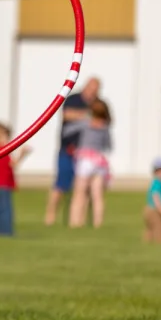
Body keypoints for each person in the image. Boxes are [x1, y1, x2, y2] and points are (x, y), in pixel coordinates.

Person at [45, 77, 100, 226]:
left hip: (86, 152)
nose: (93, 93)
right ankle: (50, 216)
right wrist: (87, 116)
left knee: (83, 186)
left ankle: (77, 221)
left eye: (96, 91)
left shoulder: (97, 103)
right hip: (68, 150)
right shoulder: (73, 99)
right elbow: (67, 114)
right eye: (91, 89)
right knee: (61, 184)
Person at [67, 98, 113, 229]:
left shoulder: (85, 123)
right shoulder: (105, 126)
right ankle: (97, 223)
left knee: (79, 193)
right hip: (99, 161)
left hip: (85, 160)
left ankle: (75, 222)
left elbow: (68, 131)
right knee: (97, 196)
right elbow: (108, 145)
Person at [0, 122, 31, 237]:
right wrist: (22, 154)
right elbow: (13, 165)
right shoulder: (1, 152)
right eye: (4, 136)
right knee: (6, 210)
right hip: (2, 186)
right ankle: (5, 232)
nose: (7, 139)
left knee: (0, 210)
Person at [143, 158, 161, 244]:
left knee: (151, 228)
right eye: (160, 172)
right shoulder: (157, 183)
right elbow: (155, 196)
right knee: (159, 227)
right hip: (154, 210)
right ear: (155, 172)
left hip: (151, 209)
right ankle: (159, 242)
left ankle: (148, 242)